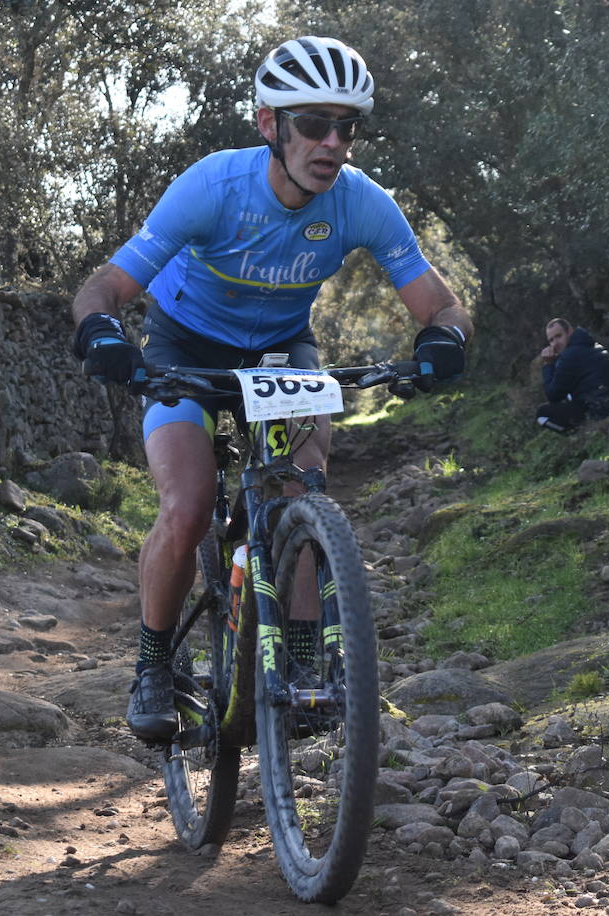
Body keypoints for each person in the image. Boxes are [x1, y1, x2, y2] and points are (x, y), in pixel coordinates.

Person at [69, 36, 474, 743]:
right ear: (269, 125)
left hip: (282, 352)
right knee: (189, 505)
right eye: (314, 123)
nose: (332, 142)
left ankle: (308, 660)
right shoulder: (212, 187)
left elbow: (442, 307)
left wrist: (444, 339)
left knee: (302, 487)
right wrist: (103, 332)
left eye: (347, 126)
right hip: (184, 344)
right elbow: (103, 286)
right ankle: (154, 663)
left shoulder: (361, 203)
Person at [535, 318, 609, 433]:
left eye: (558, 336)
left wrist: (548, 365)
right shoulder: (589, 344)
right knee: (569, 396)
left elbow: (553, 395)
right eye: (551, 340)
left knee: (542, 414)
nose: (555, 343)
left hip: (599, 407)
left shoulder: (569, 356)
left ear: (569, 331)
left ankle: (582, 434)